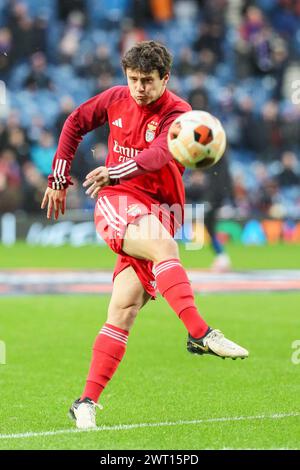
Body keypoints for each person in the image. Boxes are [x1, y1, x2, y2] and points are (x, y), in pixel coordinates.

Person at [41, 41, 248, 430]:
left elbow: (159, 155)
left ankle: (84, 401)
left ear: (165, 78)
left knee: (123, 311)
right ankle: (200, 332)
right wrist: (59, 177)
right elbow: (74, 123)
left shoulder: (180, 114)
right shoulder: (115, 98)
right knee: (164, 247)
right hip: (118, 201)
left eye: (148, 81)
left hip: (161, 211)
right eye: (133, 79)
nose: (139, 88)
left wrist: (114, 169)